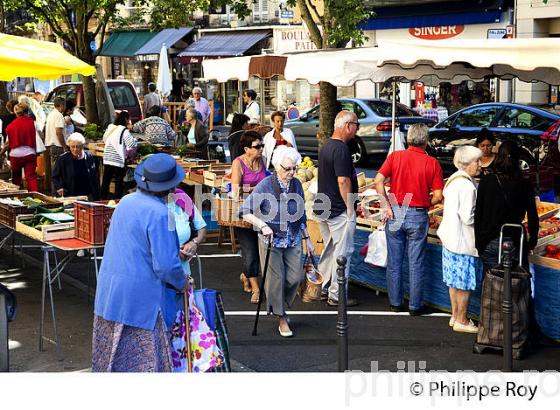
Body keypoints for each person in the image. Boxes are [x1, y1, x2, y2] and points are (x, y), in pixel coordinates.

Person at [92, 154, 188, 372]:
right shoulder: (162, 214)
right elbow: (166, 266)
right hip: (144, 303)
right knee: (146, 365)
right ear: (171, 186)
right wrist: (183, 282)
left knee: (112, 363)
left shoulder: (125, 202)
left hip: (111, 294)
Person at [240, 146, 313, 337]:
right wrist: (262, 225)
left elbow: (301, 214)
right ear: (276, 166)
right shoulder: (265, 185)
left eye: (294, 168)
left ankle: (281, 306)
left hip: (294, 237)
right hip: (271, 240)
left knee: (295, 278)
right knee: (275, 281)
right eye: (287, 168)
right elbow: (244, 211)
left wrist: (308, 238)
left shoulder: (297, 184)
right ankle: (281, 317)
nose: (291, 173)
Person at [374, 123, 444, 315]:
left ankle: (395, 303)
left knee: (395, 262)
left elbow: (378, 180)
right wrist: (425, 201)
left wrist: (385, 205)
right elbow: (438, 195)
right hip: (417, 213)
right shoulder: (432, 163)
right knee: (416, 262)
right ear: (426, 141)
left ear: (408, 139)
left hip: (395, 210)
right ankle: (415, 306)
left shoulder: (395, 156)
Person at [313, 111, 359, 307]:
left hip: (324, 206)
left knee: (330, 250)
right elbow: (343, 180)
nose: (357, 129)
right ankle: (337, 294)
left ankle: (319, 287)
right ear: (348, 126)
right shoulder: (340, 149)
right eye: (356, 124)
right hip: (337, 209)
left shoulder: (326, 146)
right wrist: (350, 209)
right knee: (342, 253)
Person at [437, 146, 484, 333]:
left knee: (453, 282)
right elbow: (468, 217)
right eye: (477, 161)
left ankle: (455, 316)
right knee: (463, 284)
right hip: (463, 241)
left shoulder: (454, 180)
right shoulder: (467, 186)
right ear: (466, 163)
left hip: (449, 238)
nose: (480, 165)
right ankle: (462, 320)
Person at [474, 140, 539, 272]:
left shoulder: (487, 181)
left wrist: (479, 243)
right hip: (514, 239)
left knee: (493, 285)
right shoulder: (525, 184)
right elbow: (533, 217)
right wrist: (531, 242)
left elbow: (478, 214)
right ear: (517, 159)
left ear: (498, 158)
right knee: (516, 284)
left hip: (490, 240)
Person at [230, 131, 268, 303]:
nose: (261, 149)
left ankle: (246, 274)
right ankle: (256, 289)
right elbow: (236, 190)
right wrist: (257, 189)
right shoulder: (238, 163)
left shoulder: (263, 161)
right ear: (246, 149)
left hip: (263, 211)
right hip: (244, 212)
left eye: (262, 145)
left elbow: (267, 183)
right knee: (250, 249)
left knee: (260, 251)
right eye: (257, 146)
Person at [0, 103, 38, 191]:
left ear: (15, 113)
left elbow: (8, 143)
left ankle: (16, 198)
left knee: (16, 178)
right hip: (30, 153)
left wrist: (1, 153)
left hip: (15, 155)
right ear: (26, 111)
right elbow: (39, 137)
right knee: (31, 177)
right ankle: (35, 196)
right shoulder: (33, 123)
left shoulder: (11, 126)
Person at [100, 111, 138, 199]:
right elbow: (131, 144)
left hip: (107, 157)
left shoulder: (110, 127)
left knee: (106, 180)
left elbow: (104, 139)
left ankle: (101, 200)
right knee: (118, 182)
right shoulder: (124, 130)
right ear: (126, 120)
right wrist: (135, 141)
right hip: (117, 159)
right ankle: (117, 201)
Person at [52, 132, 100, 199]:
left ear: (82, 146)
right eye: (72, 146)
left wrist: (95, 194)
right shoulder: (62, 159)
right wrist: (59, 187)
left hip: (86, 196)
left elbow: (94, 177)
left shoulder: (89, 157)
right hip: (69, 195)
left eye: (78, 147)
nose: (75, 149)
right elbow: (55, 176)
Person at [45, 97, 67, 189]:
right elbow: (58, 132)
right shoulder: (58, 115)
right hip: (57, 146)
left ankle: (54, 191)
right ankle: (56, 193)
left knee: (53, 171)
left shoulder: (51, 114)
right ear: (62, 105)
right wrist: (64, 146)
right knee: (58, 171)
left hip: (50, 145)